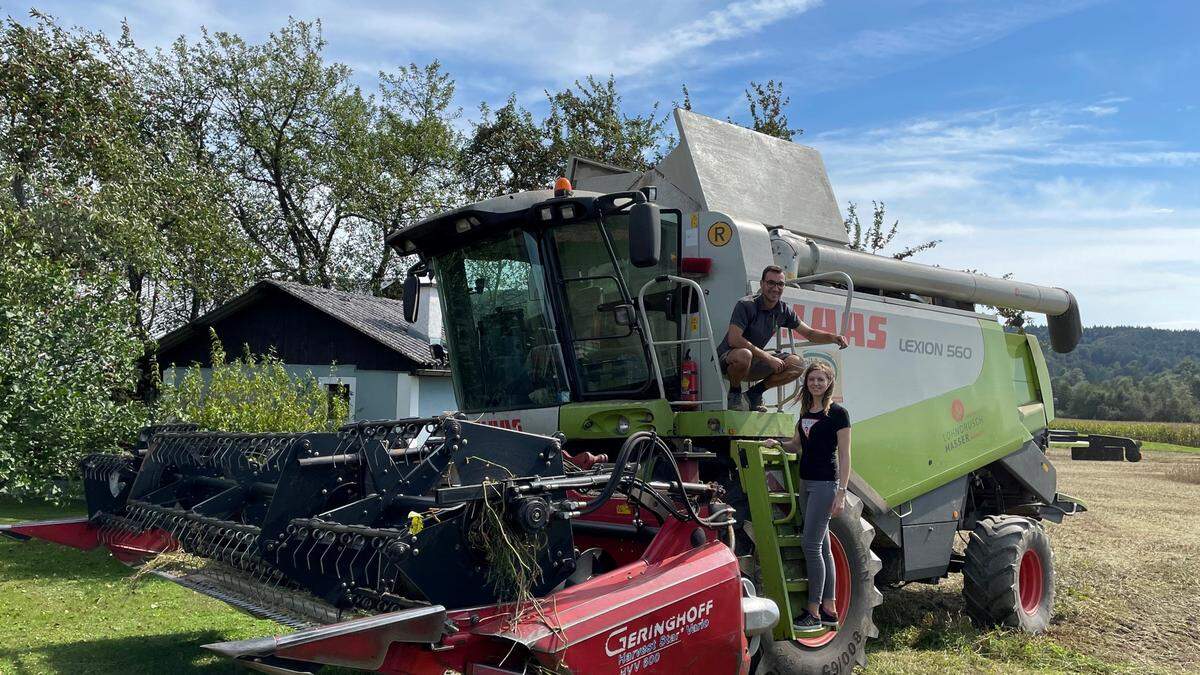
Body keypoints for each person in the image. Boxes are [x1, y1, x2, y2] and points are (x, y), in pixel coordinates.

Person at [764, 361, 851, 635]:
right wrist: (777, 445)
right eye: (812, 379)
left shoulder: (838, 414)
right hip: (806, 483)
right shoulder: (805, 414)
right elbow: (797, 446)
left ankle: (813, 611)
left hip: (826, 484)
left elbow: (846, 455)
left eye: (821, 380)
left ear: (829, 383)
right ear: (807, 383)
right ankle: (829, 609)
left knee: (810, 545)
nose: (815, 383)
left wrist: (841, 492)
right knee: (822, 548)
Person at [717, 265, 848, 411]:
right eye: (771, 283)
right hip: (729, 361)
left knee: (797, 364)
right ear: (762, 284)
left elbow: (809, 333)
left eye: (780, 284)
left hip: (754, 361)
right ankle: (734, 394)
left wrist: (834, 337)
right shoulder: (746, 305)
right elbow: (734, 340)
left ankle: (754, 394)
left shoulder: (783, 310)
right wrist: (768, 358)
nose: (775, 288)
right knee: (744, 355)